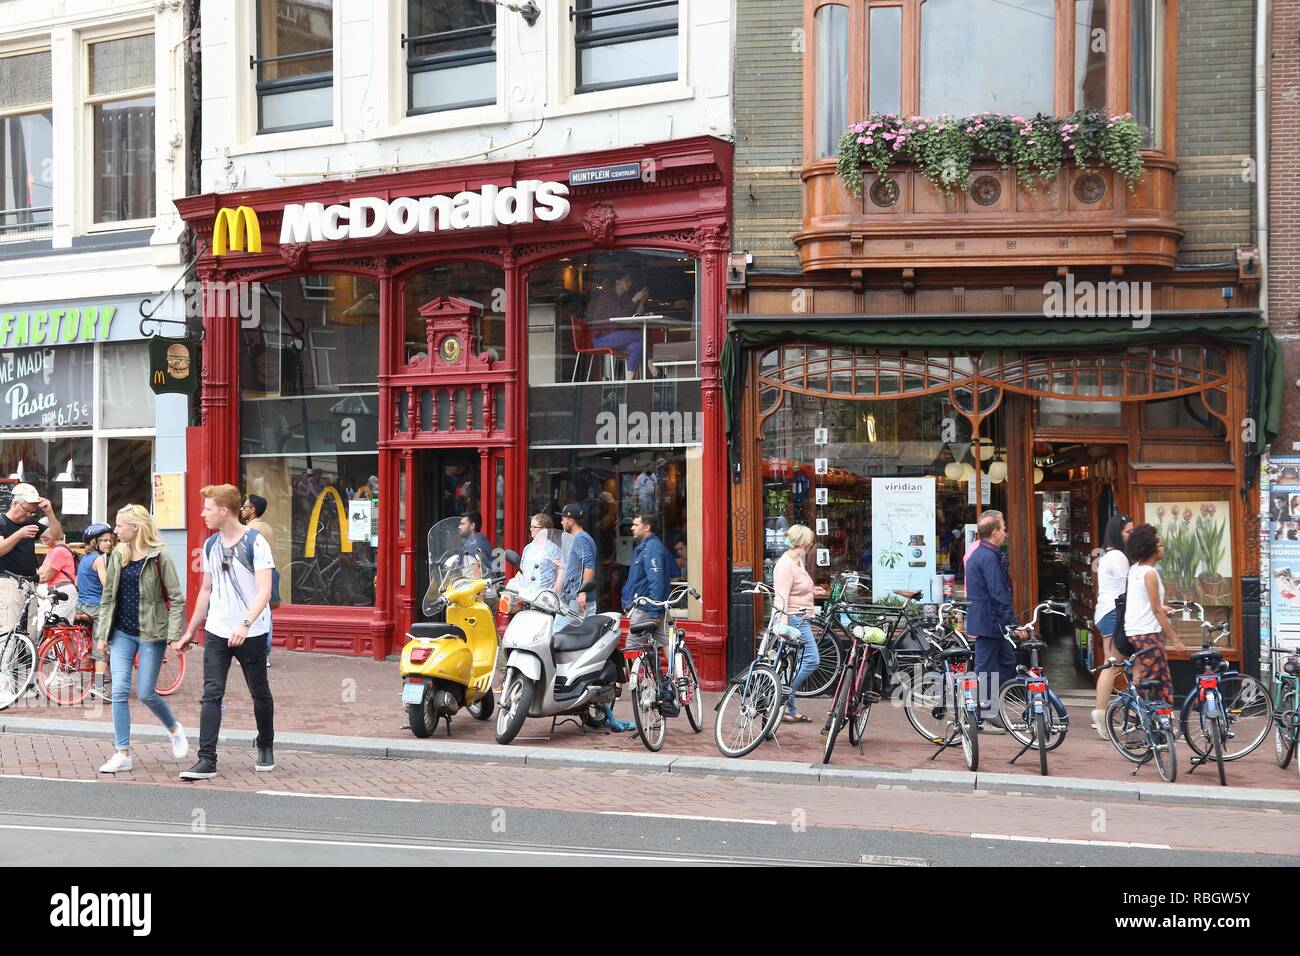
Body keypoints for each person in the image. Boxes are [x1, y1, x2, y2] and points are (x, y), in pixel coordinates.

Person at [176, 484, 276, 780]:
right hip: (218, 630)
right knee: (211, 693)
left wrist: (244, 624)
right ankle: (206, 759)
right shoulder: (210, 545)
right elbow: (206, 590)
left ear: (223, 510)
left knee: (259, 691)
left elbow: (265, 590)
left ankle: (265, 743)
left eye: (207, 508)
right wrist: (190, 630)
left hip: (252, 630)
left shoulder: (256, 543)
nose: (202, 514)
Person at [94, 505, 188, 774]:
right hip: (122, 633)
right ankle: (122, 752)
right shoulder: (118, 555)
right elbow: (109, 597)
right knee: (120, 691)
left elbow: (177, 597)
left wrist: (173, 636)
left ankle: (174, 728)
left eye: (120, 525)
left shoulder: (161, 555)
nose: (115, 530)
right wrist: (102, 635)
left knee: (146, 693)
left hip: (151, 633)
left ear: (136, 527)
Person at [964, 510, 1025, 732]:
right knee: (985, 669)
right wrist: (1012, 622)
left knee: (1005, 664)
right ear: (995, 531)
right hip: (989, 622)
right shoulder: (988, 556)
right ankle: (979, 716)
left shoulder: (983, 553)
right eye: (1003, 529)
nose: (1006, 533)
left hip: (991, 622)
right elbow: (998, 592)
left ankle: (989, 710)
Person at [1122, 524, 1189, 705]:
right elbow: (1155, 610)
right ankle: (1149, 718)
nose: (1162, 547)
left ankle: (1149, 717)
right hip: (1148, 633)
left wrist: (1162, 607)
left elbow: (1144, 601)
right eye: (1159, 544)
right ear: (1150, 549)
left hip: (1134, 630)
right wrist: (1175, 639)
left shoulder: (1135, 569)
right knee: (1158, 680)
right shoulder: (1150, 573)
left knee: (1150, 676)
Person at [772, 524, 826, 723]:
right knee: (812, 660)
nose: (812, 543)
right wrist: (782, 626)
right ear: (803, 542)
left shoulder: (797, 560)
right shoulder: (786, 564)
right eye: (810, 540)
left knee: (792, 666)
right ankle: (783, 696)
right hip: (794, 619)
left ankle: (789, 709)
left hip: (801, 617)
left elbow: (797, 587)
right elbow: (781, 597)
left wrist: (813, 591)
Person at [622, 514, 675, 714]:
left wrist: (654, 610)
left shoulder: (651, 548)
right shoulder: (647, 547)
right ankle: (670, 685)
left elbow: (656, 580)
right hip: (648, 607)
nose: (632, 528)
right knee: (664, 644)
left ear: (647, 527)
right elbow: (672, 570)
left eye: (636, 525)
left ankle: (647, 687)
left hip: (646, 609)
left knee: (631, 649)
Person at [1091, 513, 1134, 736]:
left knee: (1118, 665)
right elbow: (1130, 584)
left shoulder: (1110, 555)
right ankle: (1100, 715)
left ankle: (1118, 711)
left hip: (1108, 612)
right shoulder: (1117, 556)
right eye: (1128, 532)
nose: (1131, 536)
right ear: (1118, 533)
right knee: (1113, 665)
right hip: (1112, 613)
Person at [0, 482, 61, 634]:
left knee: (30, 632)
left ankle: (28, 659)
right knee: (10, 632)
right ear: (15, 504)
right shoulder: (2, 522)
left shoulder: (30, 522)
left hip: (30, 583)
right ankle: (8, 659)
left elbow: (57, 535)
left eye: (32, 513)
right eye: (26, 510)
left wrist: (49, 512)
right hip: (9, 583)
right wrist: (19, 534)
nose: (28, 515)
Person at [588, 270, 650, 380]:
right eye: (627, 281)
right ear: (617, 282)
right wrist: (635, 299)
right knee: (640, 335)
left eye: (630, 281)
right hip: (602, 338)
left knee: (637, 346)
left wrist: (641, 302)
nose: (629, 283)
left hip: (616, 337)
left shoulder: (624, 298)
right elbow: (619, 316)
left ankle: (628, 381)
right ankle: (650, 362)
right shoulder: (608, 296)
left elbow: (633, 315)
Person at [76, 522, 114, 699]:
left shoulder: (84, 559)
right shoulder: (99, 559)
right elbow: (107, 586)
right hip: (97, 607)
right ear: (94, 542)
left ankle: (83, 684)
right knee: (101, 648)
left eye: (110, 540)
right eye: (104, 540)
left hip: (82, 606)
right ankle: (99, 688)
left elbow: (77, 583)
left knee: (90, 643)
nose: (108, 543)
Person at [241, 493, 279, 664]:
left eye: (245, 506)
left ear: (253, 510)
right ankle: (264, 653)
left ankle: (261, 652)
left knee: (256, 611)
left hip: (255, 575)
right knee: (266, 612)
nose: (242, 509)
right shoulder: (268, 527)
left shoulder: (251, 530)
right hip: (269, 572)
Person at [558, 503, 597, 619]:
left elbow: (589, 566)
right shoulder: (581, 538)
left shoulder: (581, 539)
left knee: (558, 632)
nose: (561, 522)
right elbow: (579, 566)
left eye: (563, 519)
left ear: (570, 521)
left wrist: (582, 592)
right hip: (575, 598)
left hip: (576, 599)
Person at [36, 526, 78, 623]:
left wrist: (30, 578)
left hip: (63, 591)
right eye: (41, 533)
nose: (43, 536)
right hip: (56, 592)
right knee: (54, 628)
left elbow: (45, 576)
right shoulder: (52, 550)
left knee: (60, 629)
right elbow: (41, 572)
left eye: (46, 532)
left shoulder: (59, 550)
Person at [519, 514, 562, 591]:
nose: (531, 529)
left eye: (534, 527)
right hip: (527, 593)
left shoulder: (553, 549)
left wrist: (555, 589)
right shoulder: (528, 548)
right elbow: (523, 570)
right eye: (531, 527)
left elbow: (560, 570)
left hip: (544, 594)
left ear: (544, 529)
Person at [458, 511, 493, 577]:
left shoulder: (472, 547)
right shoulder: (482, 541)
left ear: (472, 526)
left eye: (463, 524)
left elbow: (475, 576)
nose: (459, 527)